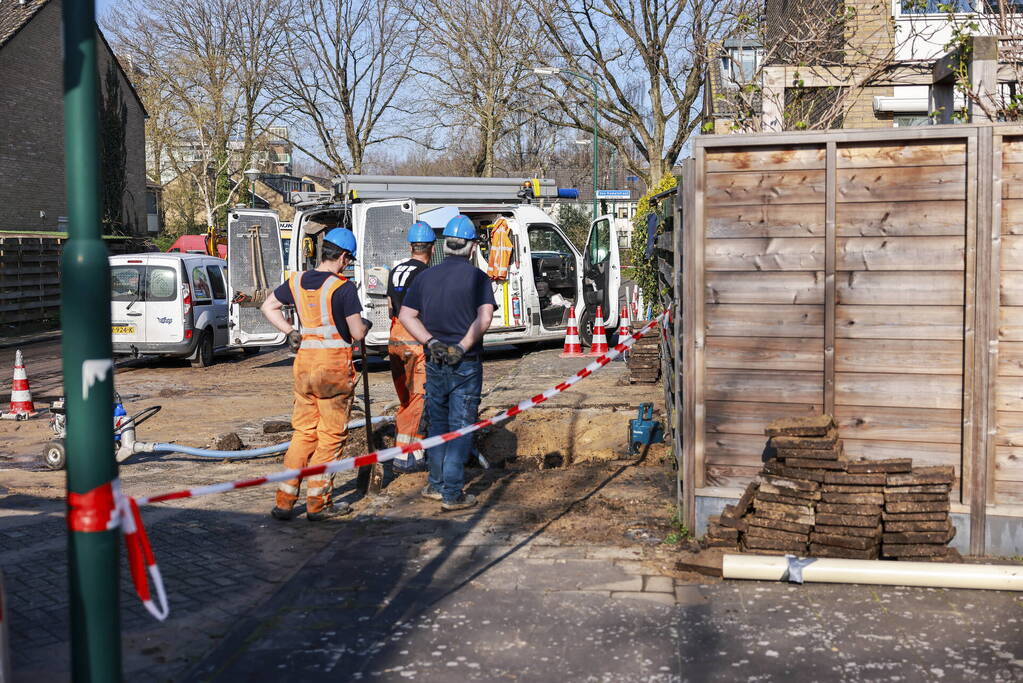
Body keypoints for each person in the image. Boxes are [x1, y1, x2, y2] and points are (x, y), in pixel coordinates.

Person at [260, 227, 371, 521]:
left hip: (304, 365)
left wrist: (290, 331)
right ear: (343, 256)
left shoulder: (295, 281)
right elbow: (357, 332)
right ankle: (318, 504)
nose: (347, 264)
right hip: (332, 369)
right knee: (331, 436)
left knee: (304, 433)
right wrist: (366, 325)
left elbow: (268, 306)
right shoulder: (343, 287)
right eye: (348, 260)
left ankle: (284, 502)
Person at [398, 215, 495, 511]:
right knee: (461, 426)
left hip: (435, 360)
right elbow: (485, 317)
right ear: (471, 246)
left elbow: (406, 316)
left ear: (446, 245)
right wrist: (462, 347)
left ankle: (436, 484)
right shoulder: (478, 277)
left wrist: (431, 342)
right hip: (464, 363)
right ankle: (452, 494)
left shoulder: (426, 276)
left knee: (438, 424)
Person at [387, 221, 435, 472]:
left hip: (395, 338)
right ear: (432, 248)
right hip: (415, 340)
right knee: (417, 400)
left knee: (405, 399)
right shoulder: (426, 274)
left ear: (410, 246)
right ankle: (405, 457)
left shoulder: (396, 270)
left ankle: (412, 452)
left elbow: (389, 306)